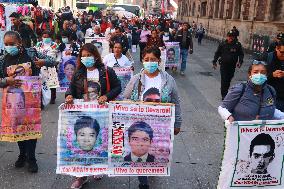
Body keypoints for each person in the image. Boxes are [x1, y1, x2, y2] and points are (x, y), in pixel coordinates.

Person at [124, 46, 182, 189]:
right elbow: (125, 98)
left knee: (155, 151)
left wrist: (177, 123)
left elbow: (176, 102)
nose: (150, 62)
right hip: (140, 125)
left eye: (153, 60)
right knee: (141, 151)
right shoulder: (136, 79)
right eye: (146, 59)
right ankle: (143, 182)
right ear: (142, 61)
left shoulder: (168, 80)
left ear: (159, 61)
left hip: (161, 126)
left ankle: (152, 168)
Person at [65, 43, 121, 189]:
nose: (86, 58)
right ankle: (80, 177)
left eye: (89, 55)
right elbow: (70, 89)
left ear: (95, 56)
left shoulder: (107, 71)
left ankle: (98, 168)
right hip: (82, 115)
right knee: (81, 145)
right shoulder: (78, 73)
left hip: (101, 115)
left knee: (99, 142)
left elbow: (117, 87)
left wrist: (106, 96)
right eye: (83, 56)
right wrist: (69, 96)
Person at [0, 31, 56, 173]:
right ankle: (22, 154)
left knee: (31, 128)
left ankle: (32, 159)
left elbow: (53, 60)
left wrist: (43, 62)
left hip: (32, 100)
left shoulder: (31, 53)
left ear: (20, 43)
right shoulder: (3, 59)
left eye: (12, 44)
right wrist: (7, 80)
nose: (8, 47)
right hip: (14, 101)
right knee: (18, 128)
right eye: (6, 44)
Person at [218, 60, 284, 122]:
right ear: (249, 75)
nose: (259, 75)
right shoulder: (240, 89)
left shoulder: (270, 90)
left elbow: (271, 109)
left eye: (263, 72)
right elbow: (222, 108)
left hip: (264, 131)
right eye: (255, 72)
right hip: (241, 132)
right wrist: (228, 117)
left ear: (266, 75)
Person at [213, 31, 244, 99]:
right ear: (227, 36)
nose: (230, 38)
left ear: (234, 37)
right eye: (229, 36)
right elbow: (217, 53)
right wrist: (214, 62)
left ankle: (225, 90)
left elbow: (241, 54)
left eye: (231, 37)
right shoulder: (223, 44)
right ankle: (224, 95)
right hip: (224, 65)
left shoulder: (237, 44)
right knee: (224, 79)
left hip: (232, 66)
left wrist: (240, 62)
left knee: (229, 79)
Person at [35, 30, 61, 104]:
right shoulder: (38, 44)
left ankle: (53, 98)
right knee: (42, 83)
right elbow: (35, 53)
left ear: (50, 37)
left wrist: (57, 61)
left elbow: (59, 54)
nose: (45, 38)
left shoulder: (54, 45)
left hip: (51, 65)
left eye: (47, 37)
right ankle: (42, 97)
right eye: (44, 37)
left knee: (52, 83)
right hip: (41, 66)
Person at [267, 39, 284, 111]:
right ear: (277, 48)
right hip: (269, 97)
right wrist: (272, 74)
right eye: (282, 52)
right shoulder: (267, 57)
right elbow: (256, 77)